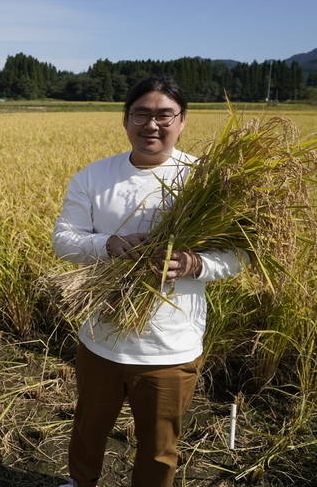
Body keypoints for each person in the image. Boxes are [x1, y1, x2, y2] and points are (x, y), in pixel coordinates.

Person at [52, 77, 247, 487]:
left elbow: (239, 256)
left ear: (182, 121)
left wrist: (194, 263)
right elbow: (64, 239)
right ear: (126, 119)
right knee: (88, 429)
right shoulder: (94, 176)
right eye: (141, 114)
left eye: (164, 115)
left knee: (159, 447)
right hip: (100, 337)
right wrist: (109, 245)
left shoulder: (205, 181)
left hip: (170, 346)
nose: (152, 125)